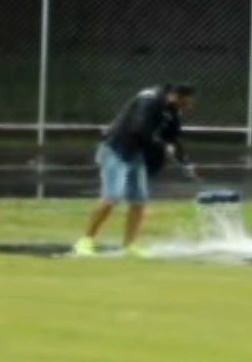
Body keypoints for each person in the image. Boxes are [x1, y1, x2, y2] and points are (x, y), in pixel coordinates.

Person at [73, 84, 198, 257]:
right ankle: (85, 241)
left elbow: (173, 138)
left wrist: (185, 163)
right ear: (175, 95)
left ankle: (129, 245)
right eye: (185, 102)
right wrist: (160, 145)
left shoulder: (173, 111)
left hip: (137, 153)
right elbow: (138, 129)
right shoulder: (149, 99)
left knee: (139, 200)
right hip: (116, 149)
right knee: (112, 197)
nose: (188, 107)